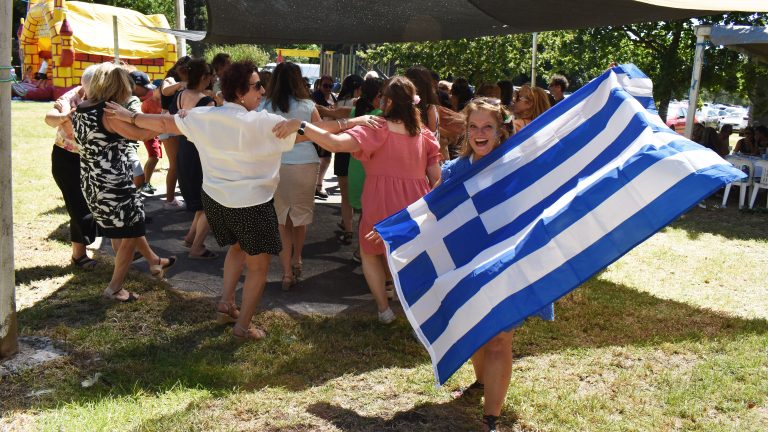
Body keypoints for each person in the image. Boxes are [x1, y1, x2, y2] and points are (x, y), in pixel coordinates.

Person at [105, 61, 379, 339]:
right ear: (239, 92)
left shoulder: (203, 116)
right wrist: (353, 121)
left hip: (216, 202)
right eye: (257, 86)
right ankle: (243, 327)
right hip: (252, 206)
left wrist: (130, 116)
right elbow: (316, 131)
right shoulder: (262, 123)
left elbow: (163, 122)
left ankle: (226, 303)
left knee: (236, 249)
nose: (263, 91)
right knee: (258, 268)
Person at [274, 76, 441, 324]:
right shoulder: (424, 134)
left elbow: (335, 144)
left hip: (379, 200)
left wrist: (302, 126)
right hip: (414, 204)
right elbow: (436, 178)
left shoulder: (376, 127)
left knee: (370, 252)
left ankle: (383, 309)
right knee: (404, 254)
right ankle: (408, 304)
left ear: (388, 101)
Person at [440, 97, 555, 432]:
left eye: (487, 126)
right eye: (473, 126)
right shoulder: (455, 172)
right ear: (465, 130)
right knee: (477, 334)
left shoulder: (518, 166)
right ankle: (481, 383)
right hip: (469, 266)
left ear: (500, 130)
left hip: (509, 267)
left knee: (499, 339)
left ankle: (491, 418)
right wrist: (392, 233)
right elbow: (429, 213)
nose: (480, 133)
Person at [71, 62, 176, 302]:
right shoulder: (108, 112)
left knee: (129, 227)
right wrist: (168, 121)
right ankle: (115, 288)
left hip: (92, 182)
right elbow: (139, 134)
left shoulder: (83, 107)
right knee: (130, 233)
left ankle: (155, 262)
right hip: (114, 186)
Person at [260, 62, 322, 290]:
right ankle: (297, 260)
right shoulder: (308, 105)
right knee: (300, 217)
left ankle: (286, 273)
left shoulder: (264, 106)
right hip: (305, 163)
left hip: (275, 164)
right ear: (298, 80)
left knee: (281, 220)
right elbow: (321, 133)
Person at [44, 64, 100, 270]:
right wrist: (65, 117)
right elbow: (50, 119)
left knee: (92, 204)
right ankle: (80, 254)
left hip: (91, 157)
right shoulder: (72, 96)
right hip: (67, 158)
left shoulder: (105, 98)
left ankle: (81, 254)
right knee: (79, 207)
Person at [170, 58, 217, 260]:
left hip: (184, 150)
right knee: (210, 203)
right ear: (204, 77)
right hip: (201, 154)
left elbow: (171, 120)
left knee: (200, 202)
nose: (212, 80)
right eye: (211, 77)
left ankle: (190, 238)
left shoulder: (180, 95)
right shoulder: (207, 102)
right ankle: (197, 247)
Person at [333, 74, 365, 243]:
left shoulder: (339, 103)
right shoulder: (365, 106)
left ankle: (348, 229)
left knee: (345, 195)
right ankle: (361, 232)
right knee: (364, 194)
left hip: (342, 149)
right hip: (359, 150)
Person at [159, 56, 191, 209]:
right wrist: (181, 84)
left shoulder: (187, 82)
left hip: (176, 123)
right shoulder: (170, 79)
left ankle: (176, 198)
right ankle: (170, 200)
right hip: (167, 123)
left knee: (180, 163)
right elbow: (165, 91)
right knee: (175, 164)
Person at [129, 70, 162, 194]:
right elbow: (140, 126)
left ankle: (145, 184)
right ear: (135, 86)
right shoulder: (136, 101)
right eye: (145, 87)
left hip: (150, 134)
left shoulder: (137, 99)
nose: (149, 90)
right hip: (145, 135)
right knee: (154, 157)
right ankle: (144, 184)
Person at [311, 75, 338, 199]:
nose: (328, 88)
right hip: (317, 131)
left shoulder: (333, 97)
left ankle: (318, 185)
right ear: (320, 85)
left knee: (326, 159)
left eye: (330, 86)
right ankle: (314, 186)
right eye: (325, 86)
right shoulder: (315, 96)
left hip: (328, 131)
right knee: (317, 160)